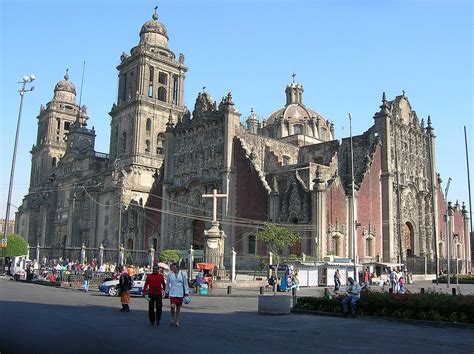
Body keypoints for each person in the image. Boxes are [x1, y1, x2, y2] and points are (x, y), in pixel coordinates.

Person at [165, 263, 189, 327]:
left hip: (180, 293)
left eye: (173, 267)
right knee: (172, 306)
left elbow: (185, 284)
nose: (172, 268)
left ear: (177, 267)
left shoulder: (182, 274)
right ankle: (172, 318)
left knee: (178, 308)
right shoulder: (169, 274)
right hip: (172, 293)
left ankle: (177, 320)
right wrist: (166, 291)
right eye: (172, 267)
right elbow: (167, 284)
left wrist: (186, 292)